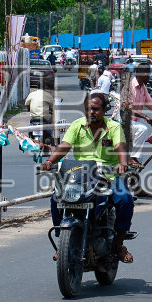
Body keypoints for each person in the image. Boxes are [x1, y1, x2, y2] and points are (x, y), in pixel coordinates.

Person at [40, 92, 138, 264]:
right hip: (81, 176)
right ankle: (62, 241)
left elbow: (120, 146)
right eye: (88, 109)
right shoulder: (77, 126)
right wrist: (49, 161)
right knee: (56, 198)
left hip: (108, 176)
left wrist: (123, 163)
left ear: (104, 110)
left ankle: (118, 245)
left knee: (125, 199)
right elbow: (65, 145)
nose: (91, 112)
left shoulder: (114, 127)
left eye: (95, 109)